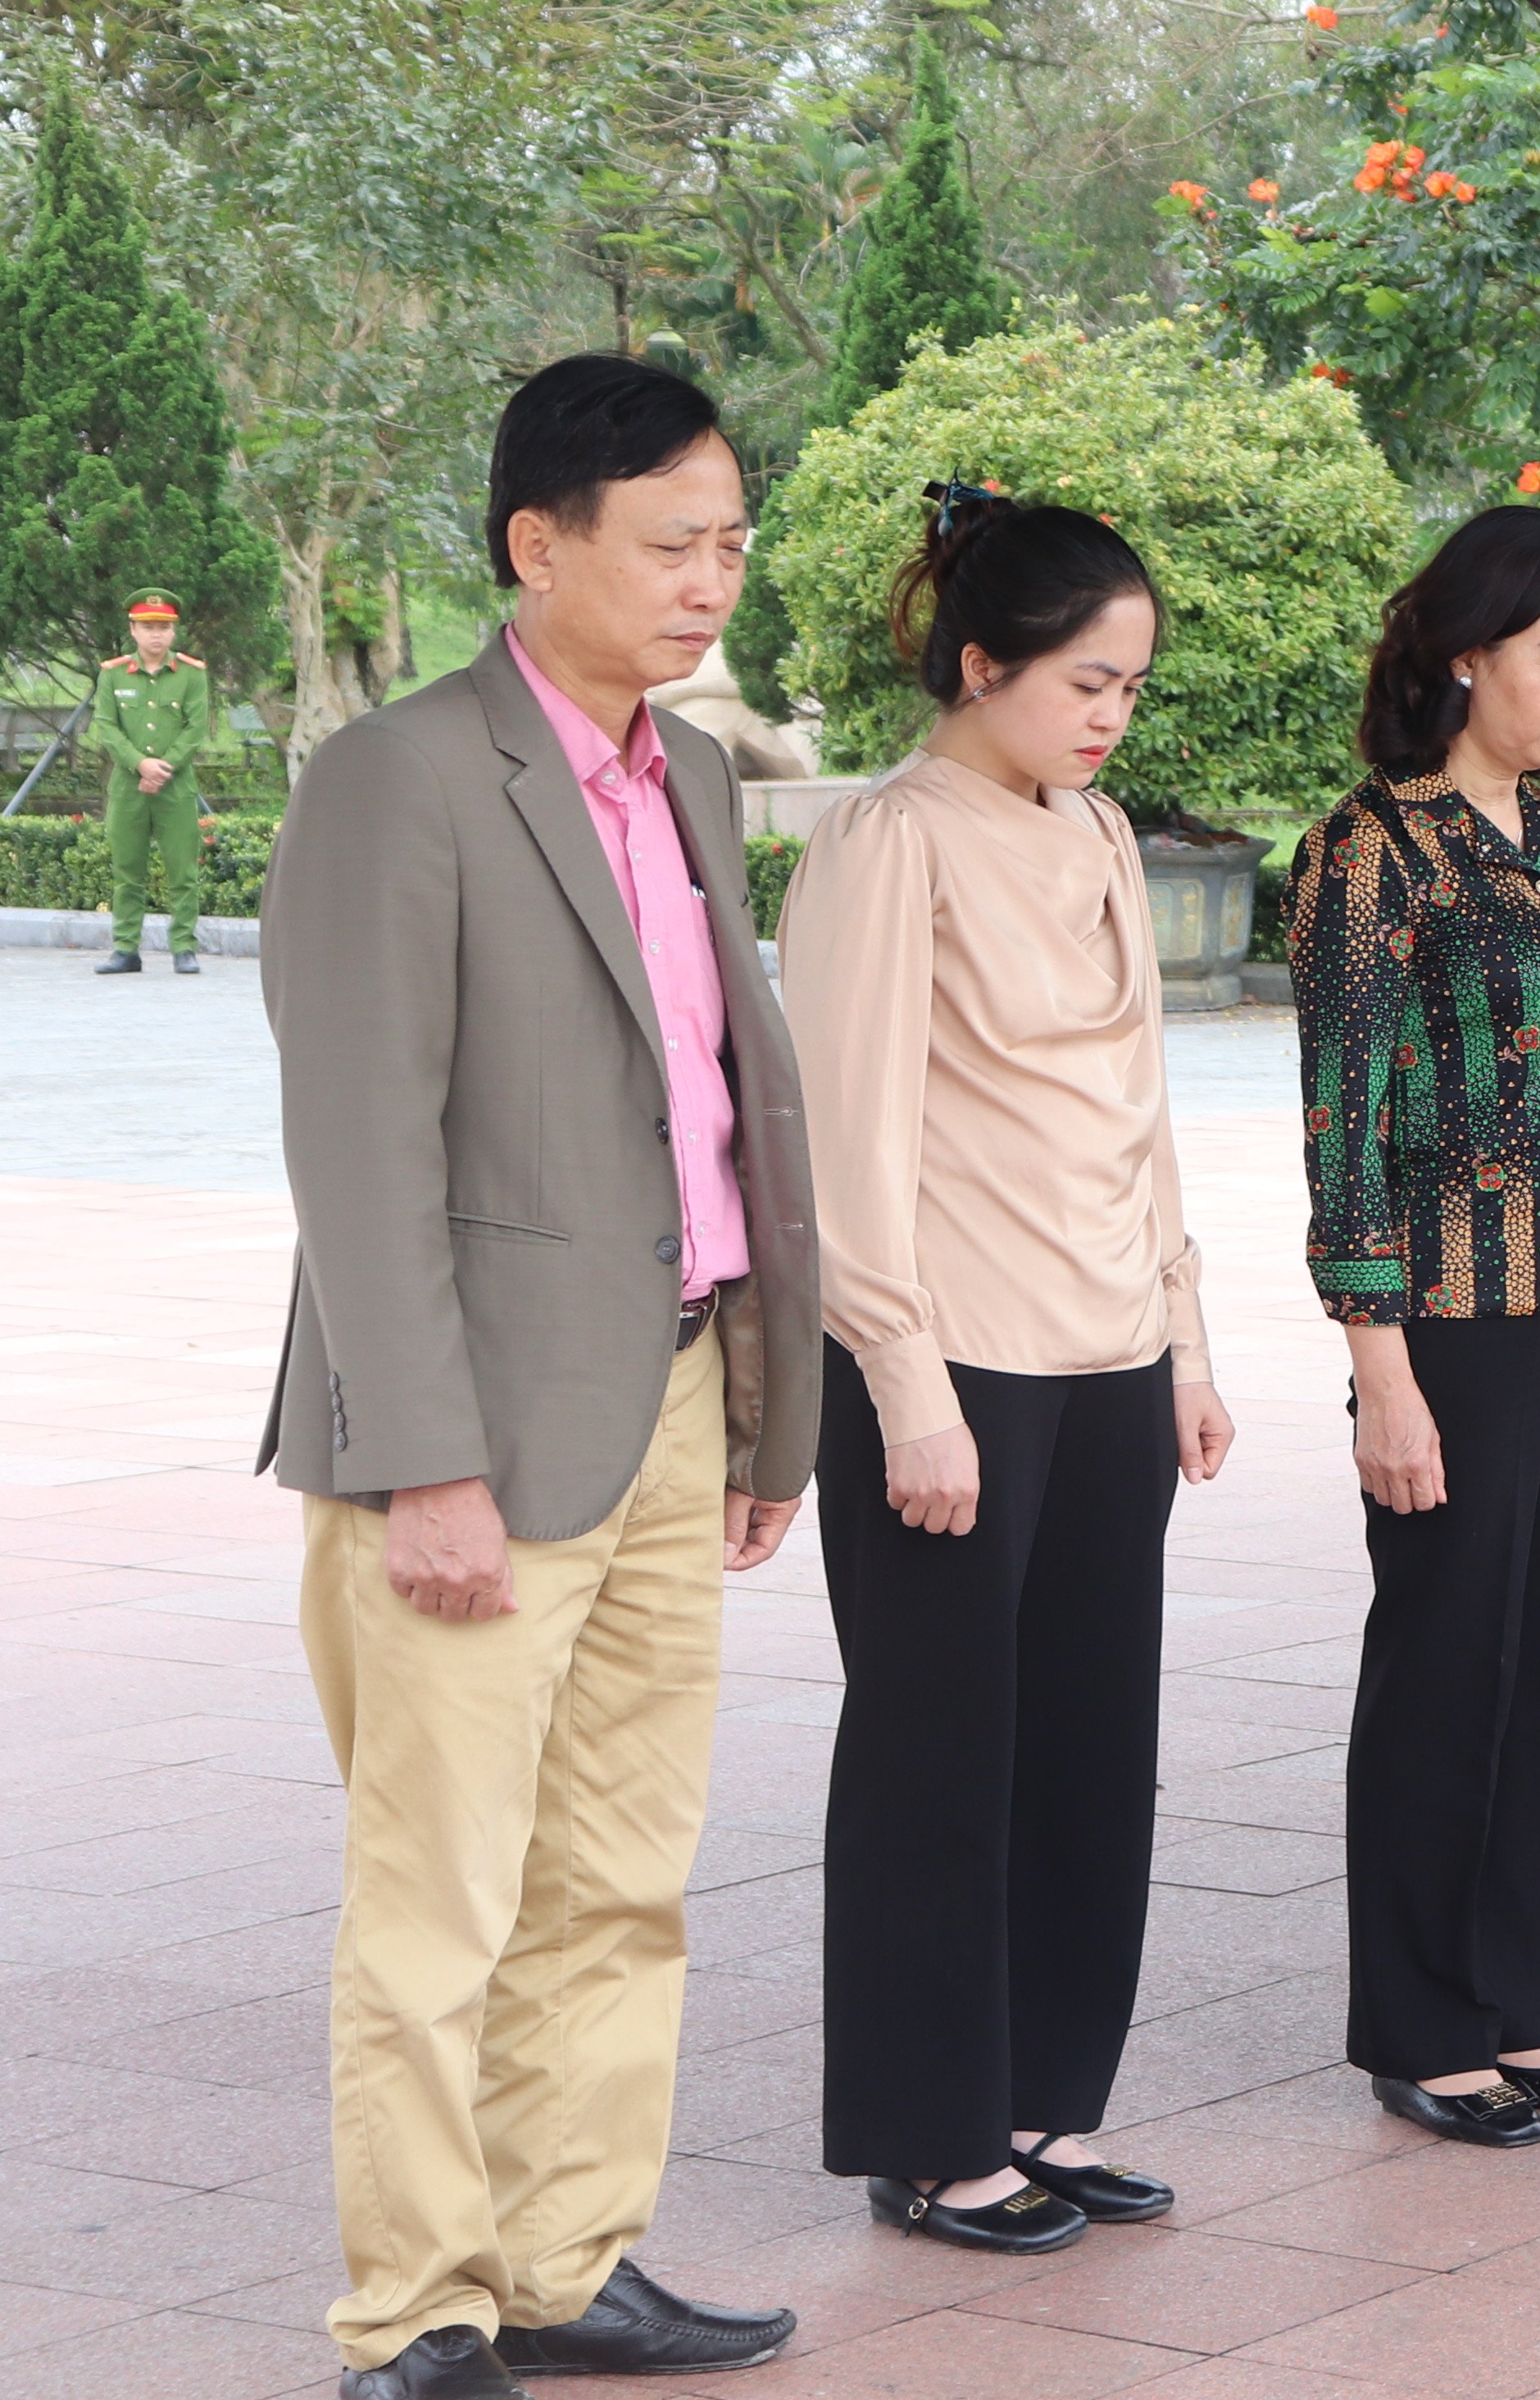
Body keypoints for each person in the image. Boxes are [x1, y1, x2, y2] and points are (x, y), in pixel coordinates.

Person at [259, 353, 817, 2400]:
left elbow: (720, 1102)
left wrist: (770, 1403)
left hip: (677, 1396)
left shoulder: (686, 773)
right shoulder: (399, 778)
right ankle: (415, 2312)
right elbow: (359, 1146)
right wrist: (422, 1459)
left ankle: (569, 2253)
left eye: (729, 544)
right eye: (672, 544)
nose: (709, 582)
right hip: (470, 1428)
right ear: (538, 544)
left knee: (620, 1874)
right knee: (438, 1900)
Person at [784, 493, 1237, 2252]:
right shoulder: (891, 839)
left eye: (1130, 681)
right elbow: (847, 1126)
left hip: (1110, 1352)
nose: (1113, 711)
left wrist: (1185, 1337)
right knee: (935, 1757)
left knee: (1085, 1749)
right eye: (1086, 678)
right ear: (983, 664)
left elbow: (1137, 1108)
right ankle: (929, 2127)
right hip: (954, 1361)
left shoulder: (1104, 830)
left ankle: (1045, 2100)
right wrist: (904, 1383)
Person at [1289, 506, 1540, 2148]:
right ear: (1466, 654)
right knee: (1450, 1654)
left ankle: (1529, 2004)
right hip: (1450, 1316)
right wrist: (1380, 1366)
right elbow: (1344, 1117)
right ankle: (1426, 2020)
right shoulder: (1372, 847)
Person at [88, 588, 223, 974]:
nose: (156, 635)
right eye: (147, 627)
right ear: (133, 630)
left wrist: (162, 767)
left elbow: (195, 728)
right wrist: (138, 765)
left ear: (174, 631)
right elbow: (106, 726)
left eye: (163, 627)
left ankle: (184, 948)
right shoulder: (112, 675)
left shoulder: (191, 675)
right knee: (127, 872)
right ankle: (126, 949)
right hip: (128, 789)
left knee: (183, 872)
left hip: (176, 788)